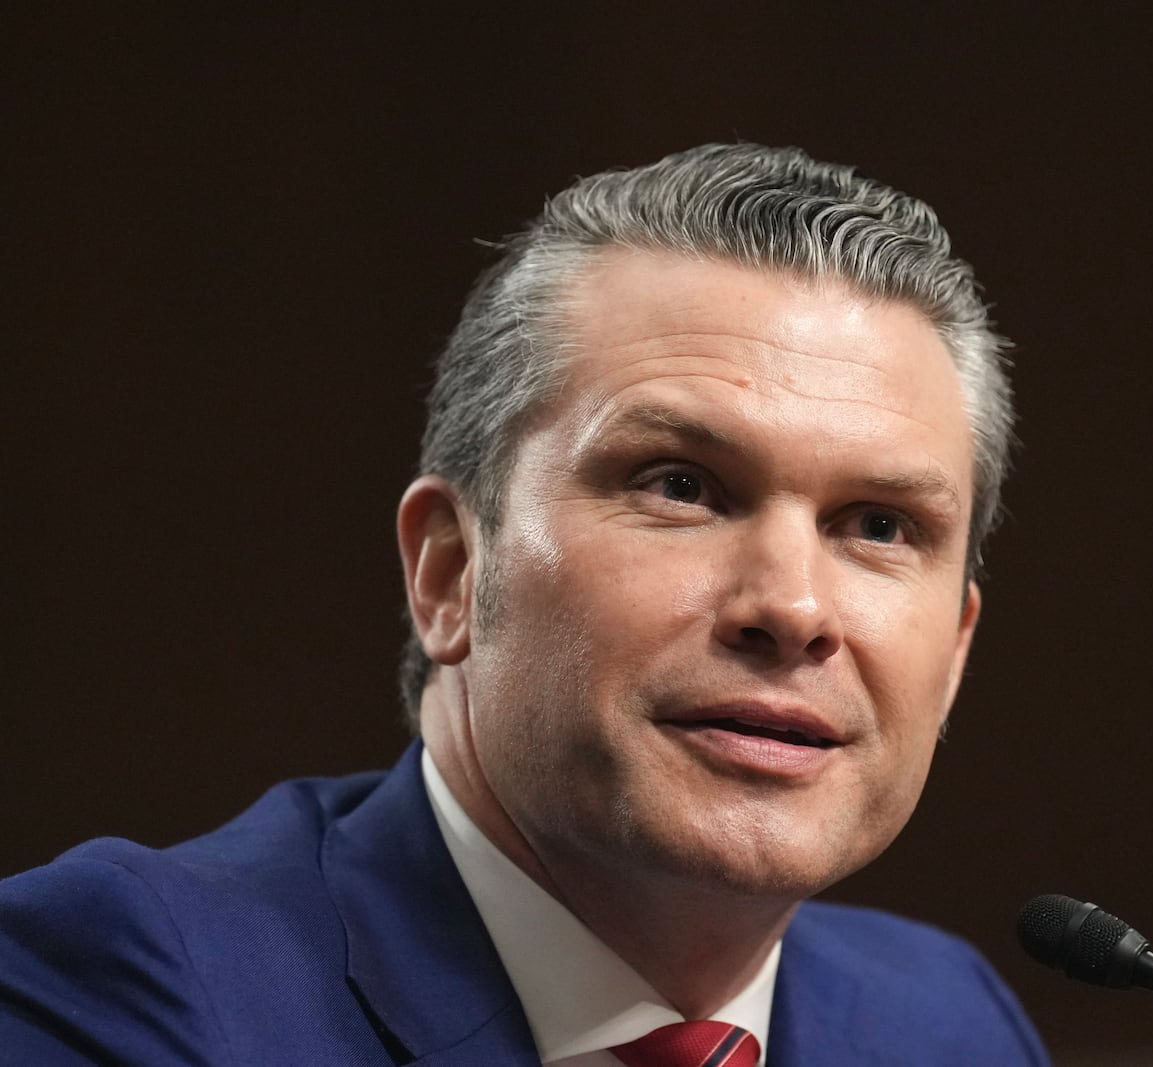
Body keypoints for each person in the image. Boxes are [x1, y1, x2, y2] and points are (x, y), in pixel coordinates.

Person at [0, 143, 1048, 1065]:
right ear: (451, 572)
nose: (791, 604)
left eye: (878, 524)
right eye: (680, 486)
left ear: (954, 650)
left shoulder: (946, 1024)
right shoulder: (132, 984)